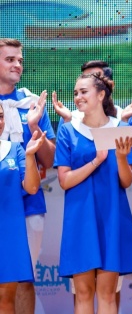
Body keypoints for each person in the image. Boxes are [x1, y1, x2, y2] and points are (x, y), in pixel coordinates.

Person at [54, 73, 132, 314]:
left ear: (101, 94)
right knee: (83, 293)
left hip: (111, 216)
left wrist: (121, 158)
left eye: (84, 91)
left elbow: (126, 181)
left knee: (107, 293)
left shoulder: (120, 128)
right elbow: (64, 180)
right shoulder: (68, 130)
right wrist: (96, 161)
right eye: (76, 93)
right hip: (80, 217)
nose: (78, 97)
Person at [0, 38, 56, 314]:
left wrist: (34, 126)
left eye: (20, 60)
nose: (17, 65)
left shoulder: (31, 103)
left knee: (24, 277)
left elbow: (50, 160)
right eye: (10, 59)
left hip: (28, 204)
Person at [0, 104, 46, 314]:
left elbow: (32, 187)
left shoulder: (15, 149)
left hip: (9, 233)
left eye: (1, 116)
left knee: (5, 299)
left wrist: (30, 156)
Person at [52, 59, 132, 126]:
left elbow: (129, 147)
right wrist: (67, 121)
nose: (88, 82)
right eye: (85, 77)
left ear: (111, 85)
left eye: (96, 78)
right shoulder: (70, 118)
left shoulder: (127, 117)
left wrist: (124, 121)